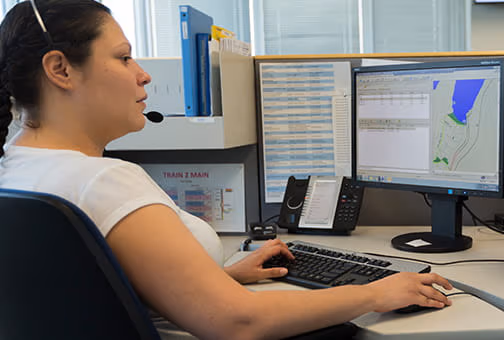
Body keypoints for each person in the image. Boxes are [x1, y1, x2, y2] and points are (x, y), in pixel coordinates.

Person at [0, 1, 453, 339]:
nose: (143, 75)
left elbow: (89, 296)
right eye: (122, 58)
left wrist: (219, 278)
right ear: (60, 69)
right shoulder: (102, 182)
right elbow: (238, 321)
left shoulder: (17, 170)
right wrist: (379, 292)